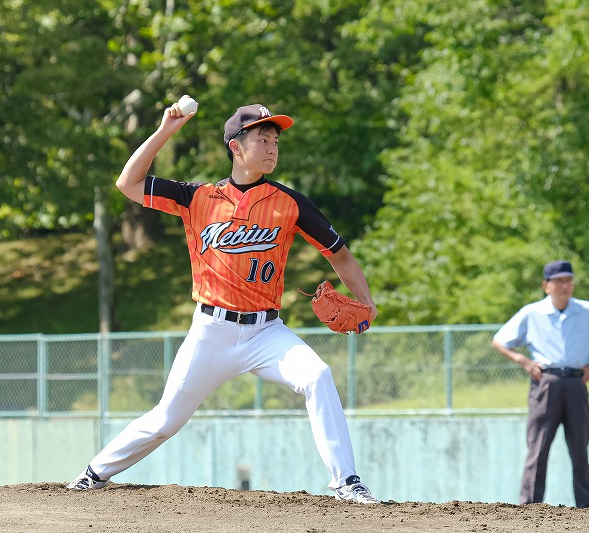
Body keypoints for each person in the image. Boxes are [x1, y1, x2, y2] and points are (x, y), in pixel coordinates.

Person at [67, 98, 380, 504]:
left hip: (266, 332)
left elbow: (339, 255)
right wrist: (165, 131)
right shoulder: (196, 197)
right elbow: (128, 183)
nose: (272, 148)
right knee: (166, 420)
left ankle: (347, 482)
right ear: (236, 146)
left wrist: (366, 300)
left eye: (275, 141)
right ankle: (94, 473)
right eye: (262, 139)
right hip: (211, 332)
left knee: (318, 376)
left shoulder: (291, 203)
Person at [492, 259, 589, 508]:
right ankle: (529, 506)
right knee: (538, 447)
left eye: (569, 280)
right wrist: (523, 361)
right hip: (546, 383)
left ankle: (586, 506)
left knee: (580, 448)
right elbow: (500, 340)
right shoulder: (532, 313)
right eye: (559, 281)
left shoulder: (587, 311)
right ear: (546, 286)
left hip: (576, 382)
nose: (565, 286)